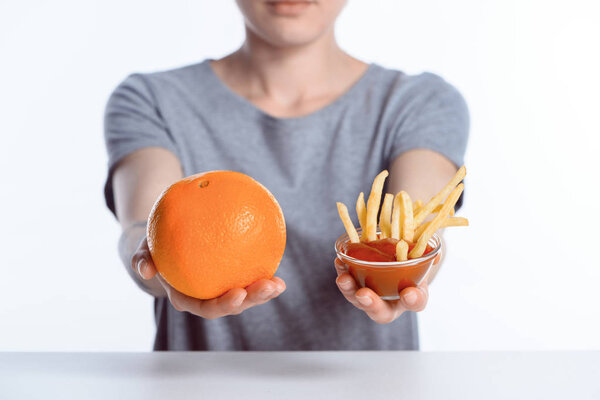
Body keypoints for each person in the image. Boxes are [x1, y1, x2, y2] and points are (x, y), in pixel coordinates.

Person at [104, 0, 468, 351]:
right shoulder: (150, 100)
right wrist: (152, 266)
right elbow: (142, 226)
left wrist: (404, 280)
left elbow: (419, 227)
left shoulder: (421, 101)